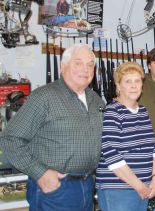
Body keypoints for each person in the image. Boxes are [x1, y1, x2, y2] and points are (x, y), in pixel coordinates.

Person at [0, 44, 104, 211]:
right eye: (78, 63)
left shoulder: (96, 100)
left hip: (87, 186)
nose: (85, 69)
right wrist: (40, 173)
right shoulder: (44, 97)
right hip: (55, 190)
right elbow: (10, 139)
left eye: (90, 64)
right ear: (63, 66)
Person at [96, 62, 155, 211]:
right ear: (118, 85)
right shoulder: (113, 112)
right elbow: (111, 153)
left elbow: (152, 149)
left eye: (137, 81)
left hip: (143, 187)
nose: (133, 86)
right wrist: (139, 186)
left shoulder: (143, 111)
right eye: (128, 81)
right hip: (118, 189)